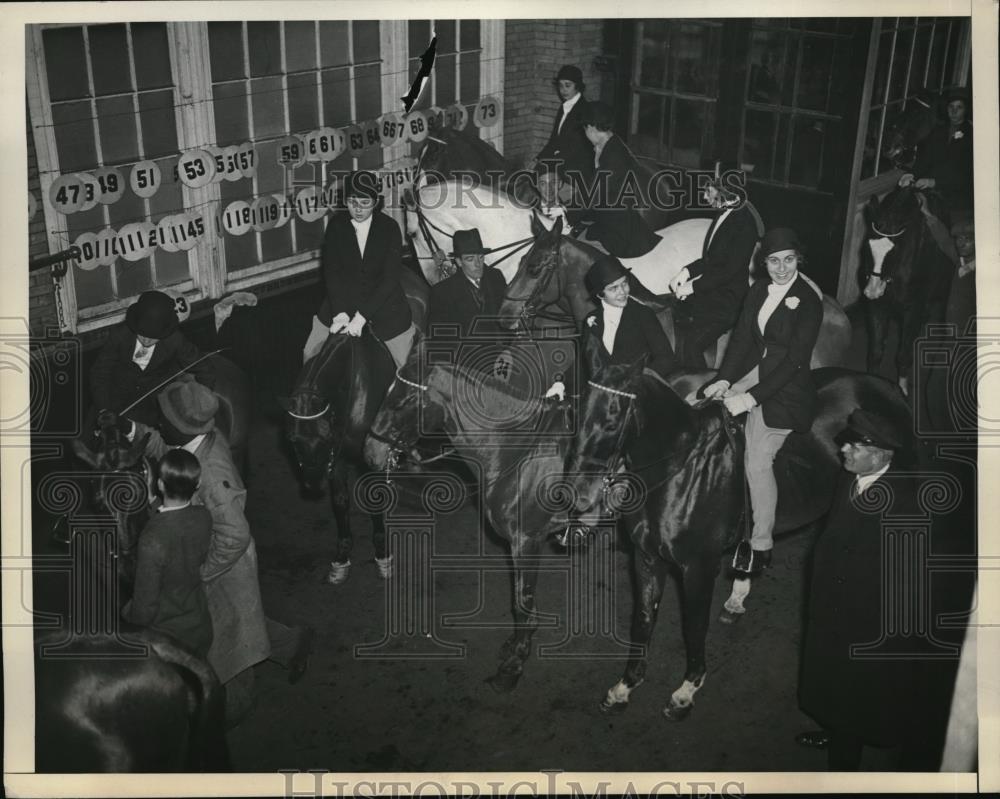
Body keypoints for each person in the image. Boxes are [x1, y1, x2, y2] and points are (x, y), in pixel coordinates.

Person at [116, 380, 315, 722]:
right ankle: (293, 643)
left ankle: (234, 711)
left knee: (230, 637)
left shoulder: (210, 472)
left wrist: (202, 572)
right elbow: (164, 447)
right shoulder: (198, 442)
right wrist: (131, 430)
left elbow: (235, 534)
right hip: (216, 553)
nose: (160, 423)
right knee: (242, 617)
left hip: (225, 562)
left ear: (181, 428)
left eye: (164, 420)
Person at [797, 409, 955, 770]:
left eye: (855, 445)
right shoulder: (848, 479)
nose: (844, 450)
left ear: (884, 454)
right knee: (831, 686)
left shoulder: (907, 506)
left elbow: (911, 585)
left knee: (856, 696)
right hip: (833, 609)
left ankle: (844, 764)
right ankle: (836, 729)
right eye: (846, 442)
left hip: (867, 622)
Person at [702, 228, 823, 573]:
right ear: (764, 263)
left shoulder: (808, 300)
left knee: (757, 460)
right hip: (755, 369)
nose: (782, 268)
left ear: (798, 259)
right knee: (705, 408)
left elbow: (795, 360)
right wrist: (724, 377)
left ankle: (761, 541)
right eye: (774, 261)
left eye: (788, 260)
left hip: (786, 386)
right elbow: (742, 339)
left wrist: (751, 398)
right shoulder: (758, 289)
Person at [303, 170, 415, 367]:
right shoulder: (336, 226)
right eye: (353, 202)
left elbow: (389, 280)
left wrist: (361, 317)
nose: (359, 209)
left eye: (365, 203)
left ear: (375, 203)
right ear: (346, 201)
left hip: (384, 307)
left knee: (406, 366)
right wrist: (339, 313)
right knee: (309, 353)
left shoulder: (389, 228)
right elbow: (332, 273)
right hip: (341, 302)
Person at [670, 160, 763, 368]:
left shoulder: (744, 224)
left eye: (708, 192)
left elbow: (729, 271)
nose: (704, 197)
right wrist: (686, 272)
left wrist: (693, 286)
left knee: (691, 346)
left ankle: (703, 394)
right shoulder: (724, 213)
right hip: (713, 292)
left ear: (725, 191)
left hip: (728, 300)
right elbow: (712, 259)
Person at [124, 448, 213, 657]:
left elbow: (144, 610)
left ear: (161, 485)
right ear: (198, 484)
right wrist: (153, 501)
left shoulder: (151, 539)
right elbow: (178, 525)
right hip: (199, 625)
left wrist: (125, 613)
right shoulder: (204, 516)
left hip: (168, 636)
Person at [89, 290, 215, 428]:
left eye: (154, 336)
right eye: (143, 334)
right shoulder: (119, 336)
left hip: (153, 406)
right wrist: (103, 408)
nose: (147, 341)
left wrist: (198, 402)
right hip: (113, 398)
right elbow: (99, 373)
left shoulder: (175, 340)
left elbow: (205, 369)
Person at [575, 101, 661, 259]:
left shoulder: (613, 155)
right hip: (608, 219)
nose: (585, 133)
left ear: (592, 127)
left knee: (576, 251)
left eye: (585, 128)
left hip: (617, 230)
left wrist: (565, 215)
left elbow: (593, 195)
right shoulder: (610, 145)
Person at [582, 254, 676, 379]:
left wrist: (636, 380)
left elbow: (666, 358)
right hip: (605, 391)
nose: (622, 291)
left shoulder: (643, 314)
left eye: (624, 283)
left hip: (637, 388)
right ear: (600, 295)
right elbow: (585, 361)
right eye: (613, 288)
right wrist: (560, 384)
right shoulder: (592, 318)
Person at [899, 86, 973, 219]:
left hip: (956, 197)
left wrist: (934, 182)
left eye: (959, 107)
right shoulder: (938, 130)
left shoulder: (972, 135)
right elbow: (925, 158)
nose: (954, 111)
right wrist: (911, 174)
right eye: (951, 106)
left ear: (966, 110)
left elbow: (966, 175)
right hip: (931, 190)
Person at [427, 229, 507, 340]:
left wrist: (507, 350)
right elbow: (442, 338)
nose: (478, 264)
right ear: (459, 262)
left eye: (480, 257)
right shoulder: (441, 292)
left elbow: (508, 319)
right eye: (470, 259)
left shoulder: (496, 277)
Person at [535, 65, 593, 189]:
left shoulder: (584, 110)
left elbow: (577, 147)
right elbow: (554, 140)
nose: (563, 90)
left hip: (575, 169)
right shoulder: (564, 107)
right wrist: (538, 159)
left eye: (568, 85)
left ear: (577, 86)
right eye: (560, 86)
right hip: (560, 163)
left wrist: (549, 163)